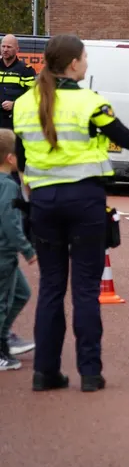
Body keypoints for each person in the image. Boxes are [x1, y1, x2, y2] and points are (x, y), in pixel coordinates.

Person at [13, 34, 129, 392]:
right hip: (85, 202)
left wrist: (34, 201)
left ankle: (44, 373)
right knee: (86, 291)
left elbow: (23, 162)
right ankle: (90, 373)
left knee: (50, 290)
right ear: (73, 64)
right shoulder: (90, 102)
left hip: (43, 204)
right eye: (86, 58)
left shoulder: (25, 104)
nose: (87, 64)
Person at [1, 34, 38, 356]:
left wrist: (16, 104)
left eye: (10, 47)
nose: (6, 51)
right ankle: (2, 347)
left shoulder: (25, 70)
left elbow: (33, 94)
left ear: (17, 50)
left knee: (12, 186)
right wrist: (25, 249)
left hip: (15, 132)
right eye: (3, 47)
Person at [0, 129, 37, 371]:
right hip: (4, 253)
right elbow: (10, 222)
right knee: (3, 302)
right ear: (11, 158)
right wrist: (27, 249)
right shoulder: (9, 187)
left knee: (21, 293)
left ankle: (4, 338)